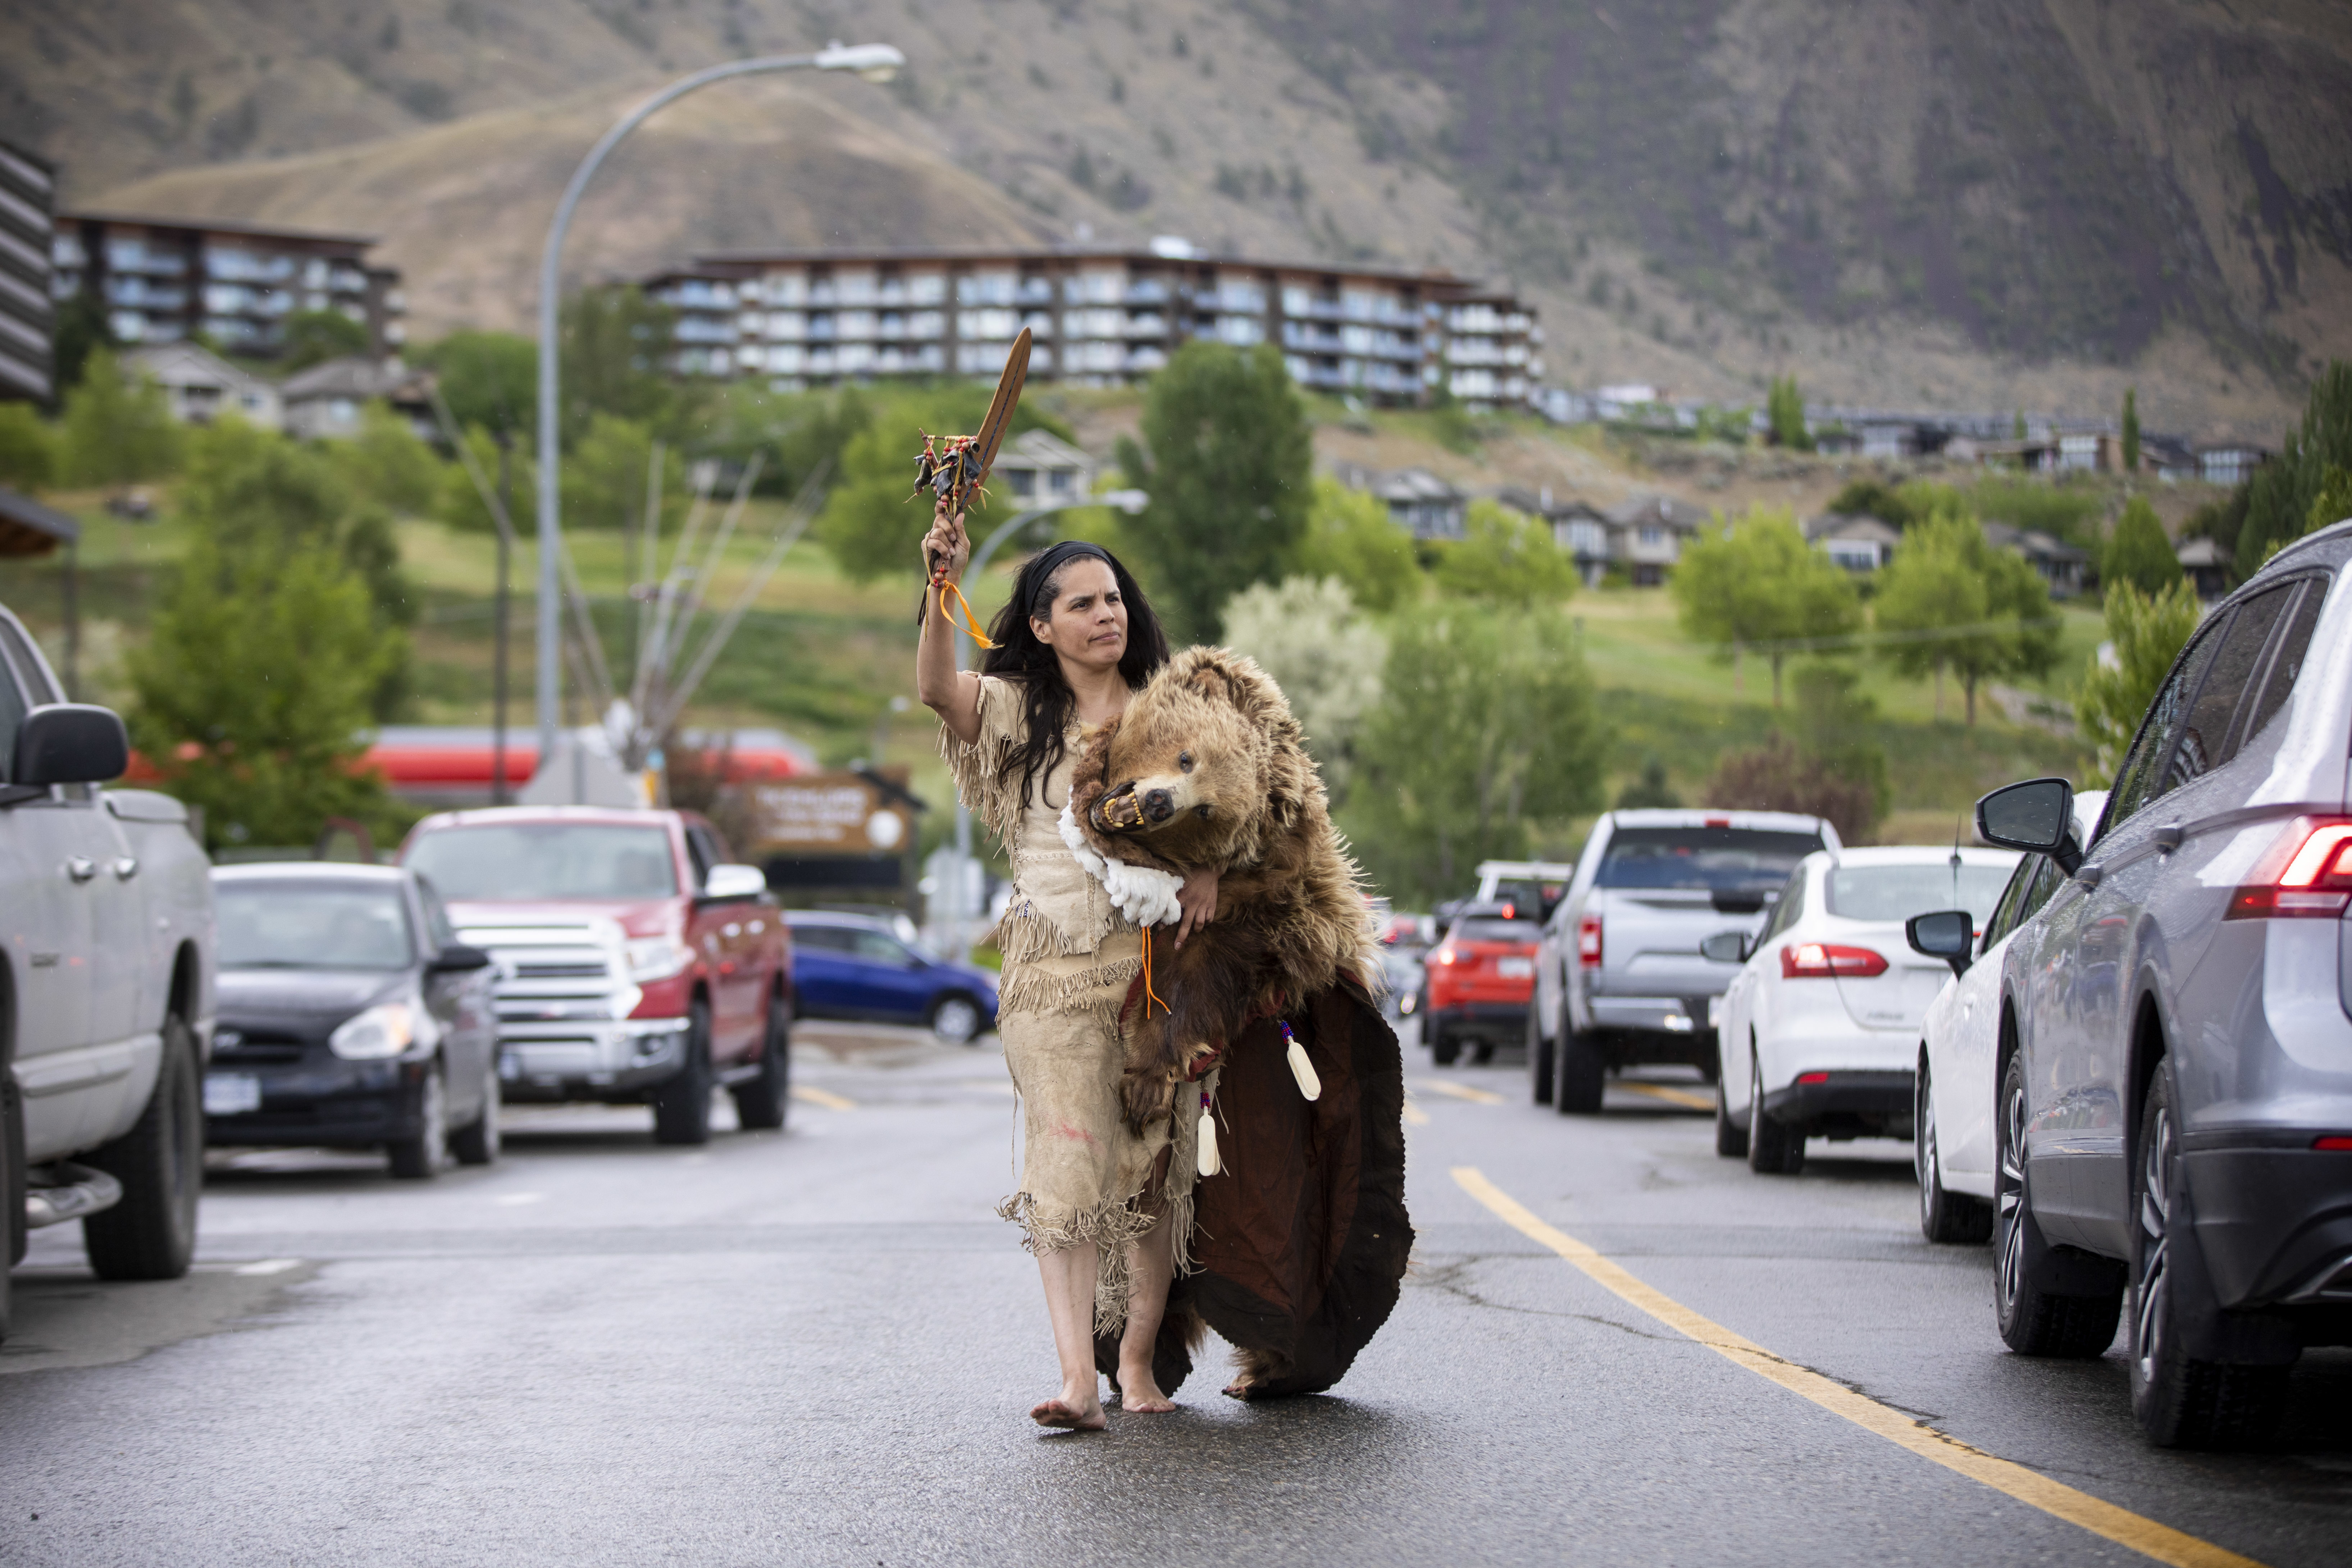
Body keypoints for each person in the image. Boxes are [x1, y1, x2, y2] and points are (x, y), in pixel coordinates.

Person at [916, 498, 1219, 1431]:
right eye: (1081, 604)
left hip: (1153, 978)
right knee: (1066, 1163)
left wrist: (1207, 866)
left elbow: (1229, 802)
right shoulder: (1018, 711)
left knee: (1152, 1173)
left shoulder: (1173, 711)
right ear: (1041, 628)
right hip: (1048, 972)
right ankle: (1076, 1382)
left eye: (1113, 598)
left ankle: (1133, 1365)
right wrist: (937, 585)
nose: (1105, 614)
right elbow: (938, 690)